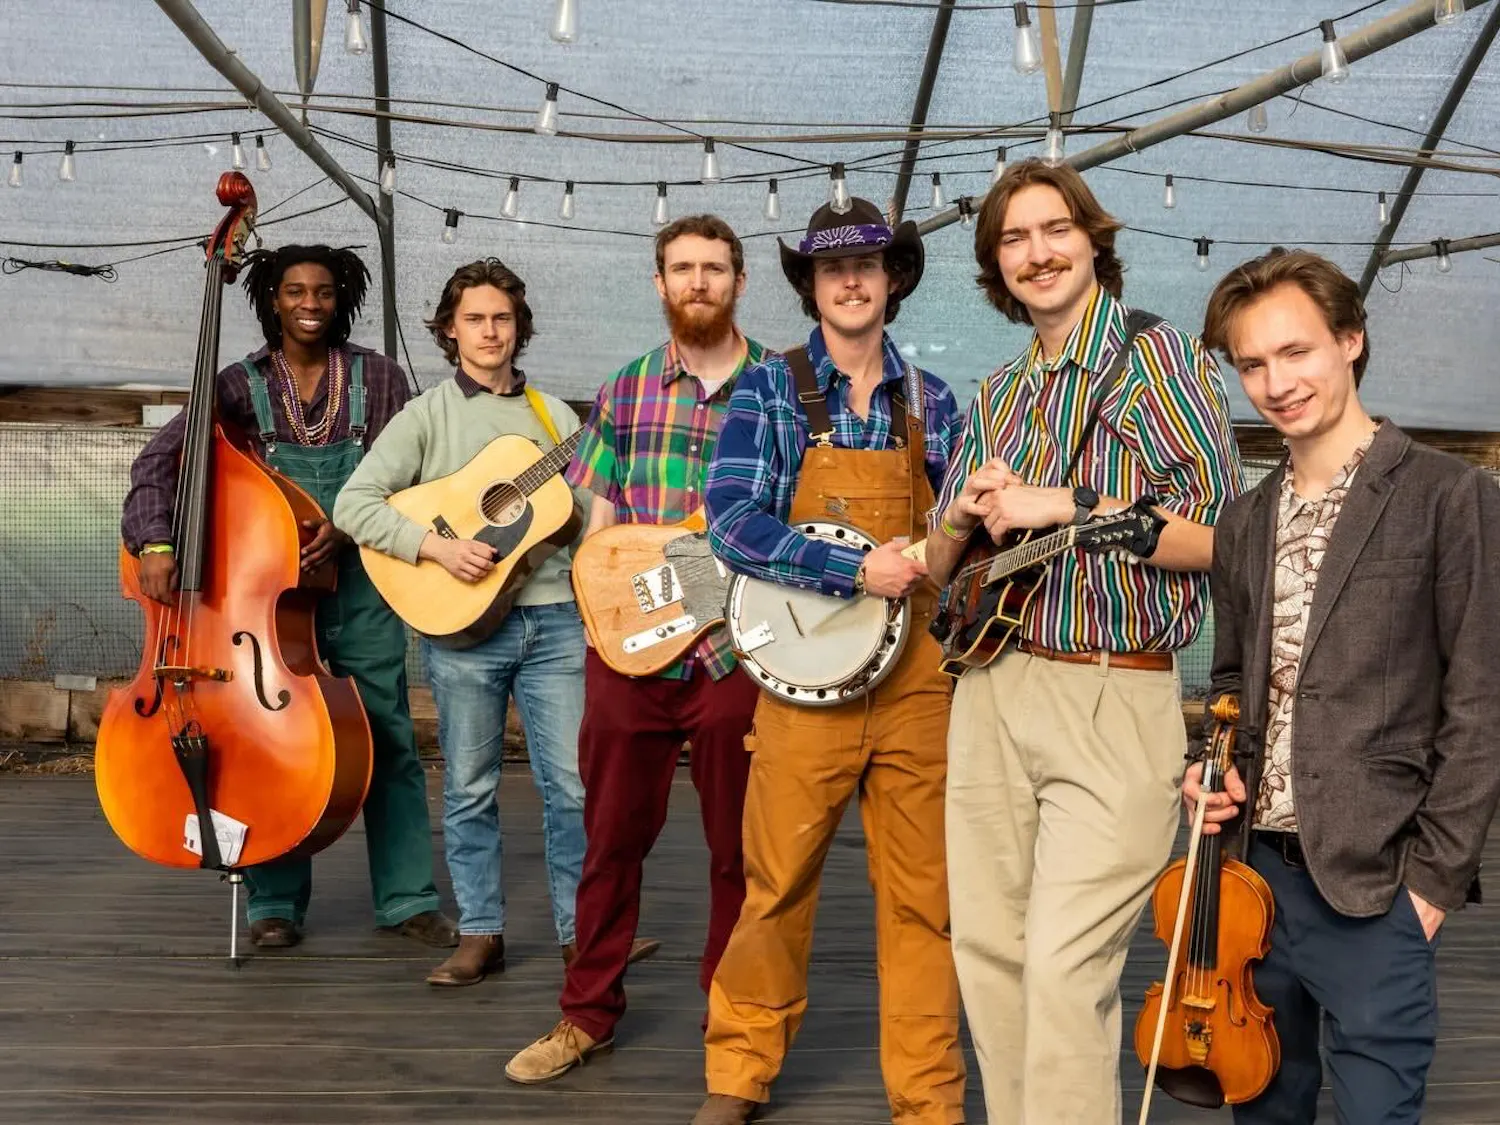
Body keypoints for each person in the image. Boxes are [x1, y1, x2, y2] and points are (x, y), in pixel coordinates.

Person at [924, 158, 1243, 1123]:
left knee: (1066, 966)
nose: (1038, 252)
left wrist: (1064, 502)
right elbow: (940, 568)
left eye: (1055, 229)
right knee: (989, 953)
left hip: (1112, 690)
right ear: (997, 265)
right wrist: (963, 514)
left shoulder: (1159, 359)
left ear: (1093, 240)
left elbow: (1222, 535)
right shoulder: (996, 394)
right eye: (1014, 239)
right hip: (990, 689)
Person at [1183, 247, 1500, 1124]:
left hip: (1378, 886)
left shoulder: (1450, 496)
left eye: (1297, 351)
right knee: (1264, 1110)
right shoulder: (1243, 519)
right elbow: (1232, 680)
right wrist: (1210, 767)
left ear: (1351, 339)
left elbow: (1481, 707)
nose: (1276, 383)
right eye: (1253, 363)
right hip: (1251, 884)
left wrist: (1430, 887)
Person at [691, 197, 967, 1125]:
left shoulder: (935, 402)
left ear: (893, 279)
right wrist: (852, 567)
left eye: (868, 264)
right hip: (803, 686)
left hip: (918, 686)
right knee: (776, 885)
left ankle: (928, 1099)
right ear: (811, 285)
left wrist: (971, 539)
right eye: (831, 267)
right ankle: (739, 1073)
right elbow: (732, 522)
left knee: (926, 899)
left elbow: (959, 541)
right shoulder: (770, 389)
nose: (851, 280)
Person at [121, 244, 455, 952]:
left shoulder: (380, 377)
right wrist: (154, 542)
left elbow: (419, 479)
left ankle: (407, 899)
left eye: (324, 292)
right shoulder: (237, 385)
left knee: (386, 737)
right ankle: (274, 902)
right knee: (268, 741)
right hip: (264, 604)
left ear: (341, 300)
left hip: (361, 585)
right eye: (295, 291)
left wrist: (353, 525)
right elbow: (158, 462)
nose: (310, 304)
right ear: (271, 299)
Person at [504, 215, 768, 1084]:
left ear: (739, 281)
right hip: (630, 653)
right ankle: (587, 1014)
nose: (698, 281)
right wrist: (609, 608)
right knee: (610, 839)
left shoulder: (781, 389)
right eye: (682, 268)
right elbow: (603, 521)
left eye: (714, 268)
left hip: (736, 650)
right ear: (660, 283)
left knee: (740, 849)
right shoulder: (624, 389)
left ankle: (732, 1022)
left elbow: (794, 522)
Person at [335, 258, 602, 986]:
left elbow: (587, 523)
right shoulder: (428, 415)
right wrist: (435, 547)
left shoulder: (559, 420)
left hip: (555, 621)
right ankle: (481, 932)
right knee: (470, 786)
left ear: (520, 327)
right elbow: (354, 505)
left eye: (502, 318)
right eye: (475, 319)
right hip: (461, 630)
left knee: (573, 787)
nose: (490, 331)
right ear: (450, 331)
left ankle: (584, 937)